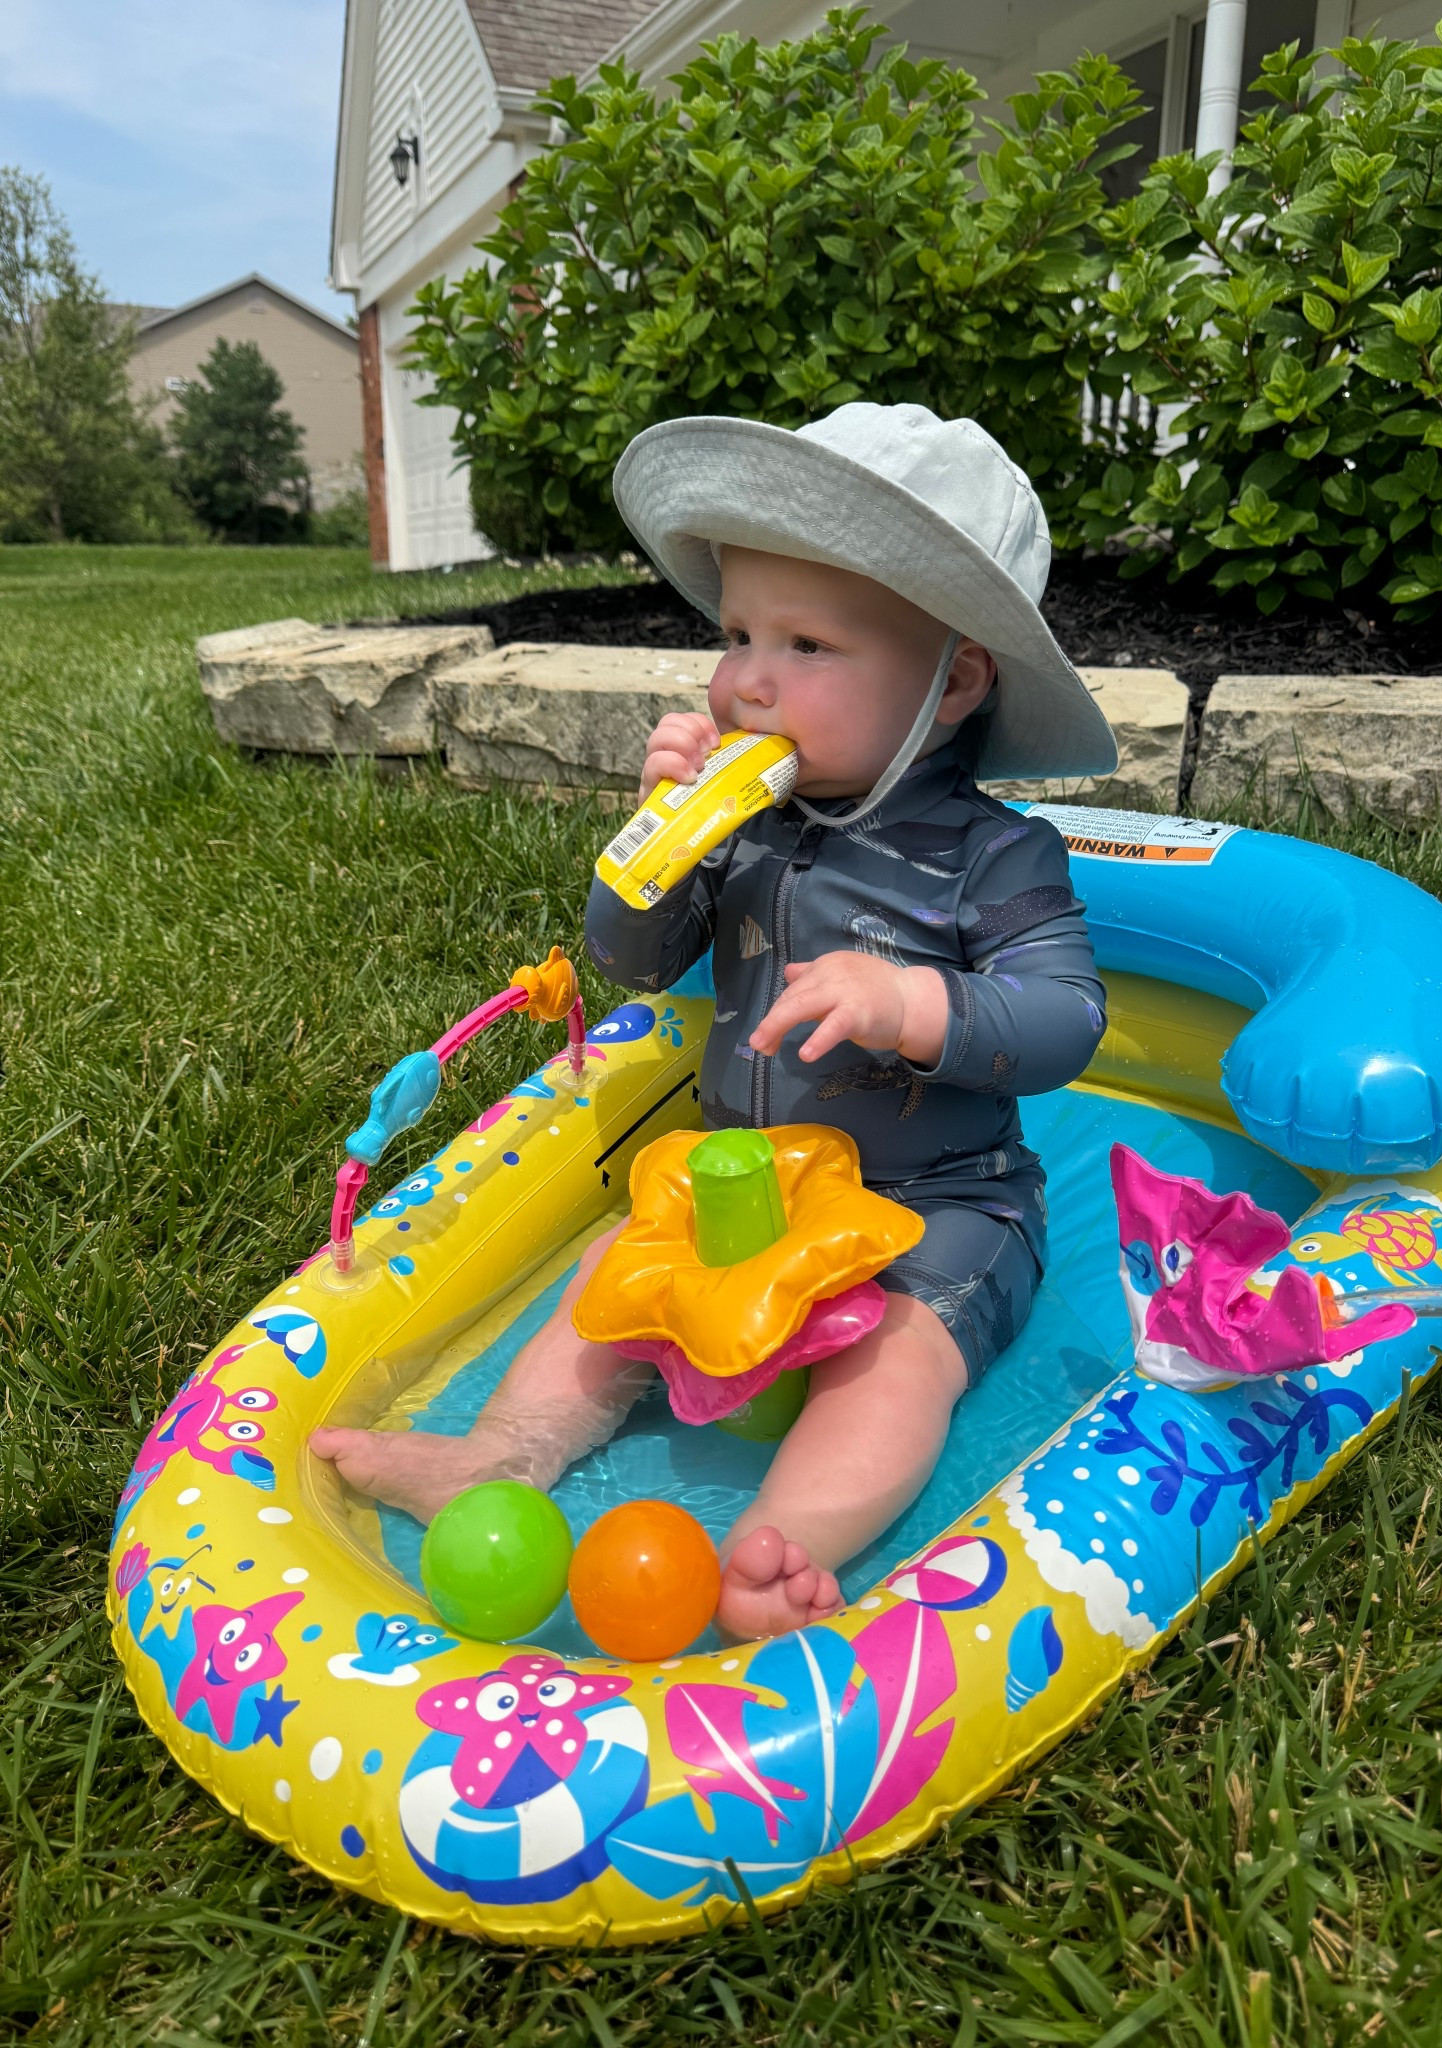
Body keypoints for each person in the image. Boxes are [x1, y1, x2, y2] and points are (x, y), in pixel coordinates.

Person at [312, 402, 1116, 1640]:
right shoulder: (746, 822)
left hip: (937, 1213)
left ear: (951, 681)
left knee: (896, 1357)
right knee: (605, 1282)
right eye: (738, 632)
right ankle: (499, 1454)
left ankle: (775, 1550)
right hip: (742, 1200)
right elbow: (635, 961)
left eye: (804, 643)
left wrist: (911, 1000)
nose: (744, 678)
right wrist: (661, 843)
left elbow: (1066, 1018)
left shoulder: (995, 858)